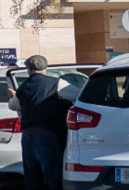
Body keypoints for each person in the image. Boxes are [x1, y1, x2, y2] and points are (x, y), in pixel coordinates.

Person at [8, 55, 80, 190]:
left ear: (28, 70)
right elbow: (79, 95)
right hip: (48, 137)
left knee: (32, 181)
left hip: (27, 138)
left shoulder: (23, 87)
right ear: (45, 69)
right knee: (53, 179)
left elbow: (12, 106)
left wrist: (14, 96)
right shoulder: (56, 83)